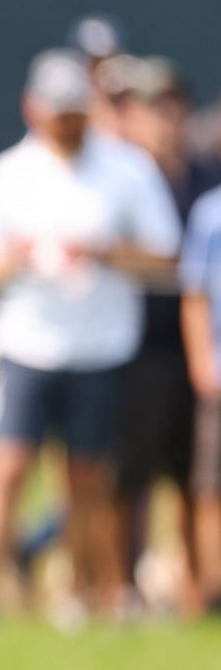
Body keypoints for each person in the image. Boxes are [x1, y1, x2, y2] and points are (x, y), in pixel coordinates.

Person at [0, 51, 181, 632]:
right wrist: (22, 256)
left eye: (76, 112)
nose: (67, 123)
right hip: (26, 344)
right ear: (34, 109)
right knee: (4, 466)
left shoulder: (127, 169)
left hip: (100, 347)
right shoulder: (9, 172)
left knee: (88, 478)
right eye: (57, 112)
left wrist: (100, 251)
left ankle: (85, 592)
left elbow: (164, 254)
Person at [109, 58, 221, 611]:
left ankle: (196, 590)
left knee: (192, 478)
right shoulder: (121, 176)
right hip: (135, 347)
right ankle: (123, 585)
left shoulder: (205, 176)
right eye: (154, 107)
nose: (165, 118)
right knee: (130, 476)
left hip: (192, 353)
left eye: (174, 106)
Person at [181, 179, 221, 609]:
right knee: (213, 488)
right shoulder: (211, 212)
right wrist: (202, 363)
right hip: (220, 373)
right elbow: (194, 292)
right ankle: (214, 590)